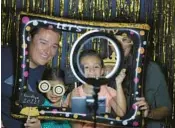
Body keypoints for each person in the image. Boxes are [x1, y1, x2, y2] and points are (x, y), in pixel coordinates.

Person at [1, 25, 61, 128]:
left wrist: (40, 126)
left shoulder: (48, 77)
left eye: (54, 46)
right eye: (43, 43)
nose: (48, 51)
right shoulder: (5, 57)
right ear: (28, 39)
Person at [113, 34, 172, 128]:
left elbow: (166, 109)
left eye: (124, 40)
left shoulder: (151, 69)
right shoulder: (102, 69)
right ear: (109, 43)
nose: (119, 45)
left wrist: (148, 113)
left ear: (133, 43)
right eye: (115, 40)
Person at [66, 49, 127, 128]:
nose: (91, 70)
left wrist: (118, 84)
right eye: (86, 67)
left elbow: (121, 113)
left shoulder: (108, 91)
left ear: (102, 71)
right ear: (79, 71)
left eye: (96, 66)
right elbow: (77, 125)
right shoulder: (75, 92)